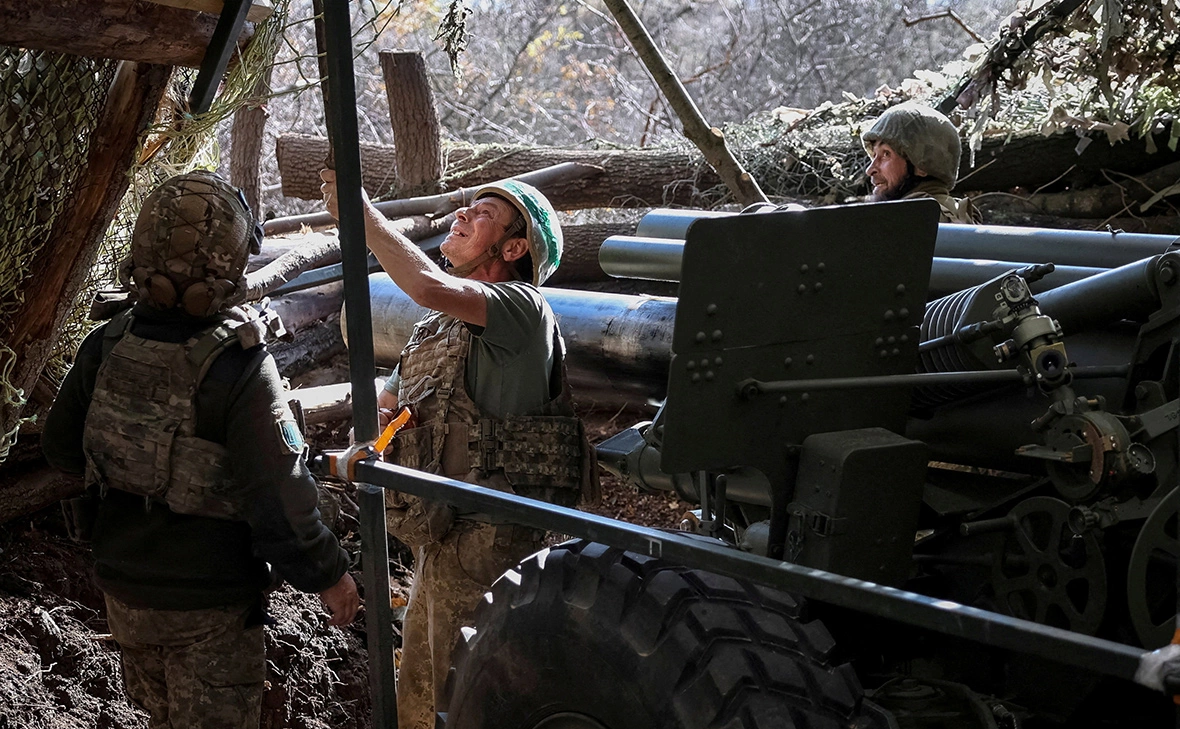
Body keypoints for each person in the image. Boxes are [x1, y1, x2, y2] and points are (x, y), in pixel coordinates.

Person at [42, 171, 358, 729]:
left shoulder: (109, 341)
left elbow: (62, 451)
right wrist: (330, 574)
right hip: (210, 604)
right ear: (230, 266)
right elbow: (279, 499)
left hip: (124, 593)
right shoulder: (240, 365)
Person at [320, 170, 596, 729]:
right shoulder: (436, 330)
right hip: (439, 535)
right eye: (466, 208)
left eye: (483, 215)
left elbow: (425, 285)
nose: (461, 216)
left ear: (513, 249)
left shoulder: (522, 309)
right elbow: (384, 407)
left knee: (466, 701)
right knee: (422, 696)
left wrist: (363, 216)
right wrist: (369, 437)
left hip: (494, 540)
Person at [861, 102, 981, 224]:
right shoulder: (960, 215)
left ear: (921, 166)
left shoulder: (907, 219)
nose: (870, 170)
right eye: (874, 156)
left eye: (886, 154)